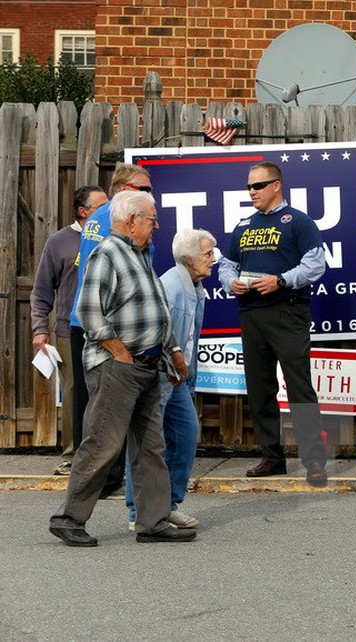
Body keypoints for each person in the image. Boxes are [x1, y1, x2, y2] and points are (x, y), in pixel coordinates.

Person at [49, 190, 195, 546]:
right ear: (131, 221)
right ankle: (68, 518)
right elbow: (88, 312)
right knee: (102, 443)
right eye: (151, 219)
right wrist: (120, 353)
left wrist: (174, 352)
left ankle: (152, 521)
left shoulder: (141, 255)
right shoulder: (107, 254)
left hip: (149, 364)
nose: (157, 226)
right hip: (117, 365)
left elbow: (157, 310)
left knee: (150, 447)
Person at [217, 162, 329, 487]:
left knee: (299, 386)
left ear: (276, 185)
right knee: (259, 387)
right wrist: (230, 282)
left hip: (287, 310)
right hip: (251, 312)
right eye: (249, 187)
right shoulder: (244, 225)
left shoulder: (298, 221)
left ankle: (314, 462)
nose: (252, 192)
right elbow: (226, 263)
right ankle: (272, 457)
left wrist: (281, 280)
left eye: (258, 186)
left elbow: (315, 264)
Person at [68, 164, 154, 498]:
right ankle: (102, 480)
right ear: (125, 189)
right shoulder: (122, 225)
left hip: (85, 322)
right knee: (112, 410)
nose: (149, 195)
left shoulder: (94, 219)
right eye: (144, 190)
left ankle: (89, 478)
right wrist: (119, 346)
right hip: (110, 327)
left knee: (90, 406)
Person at [124, 229, 216, 531]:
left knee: (186, 434)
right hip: (159, 375)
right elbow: (158, 335)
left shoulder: (196, 286)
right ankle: (138, 512)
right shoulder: (171, 286)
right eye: (207, 253)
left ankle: (168, 505)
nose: (213, 258)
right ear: (189, 258)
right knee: (147, 442)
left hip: (176, 378)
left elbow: (190, 339)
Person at [30, 185, 108, 475]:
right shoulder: (59, 242)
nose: (106, 211)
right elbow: (41, 292)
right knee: (75, 390)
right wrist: (40, 329)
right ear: (82, 211)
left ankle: (104, 455)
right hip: (68, 329)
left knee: (105, 391)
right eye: (99, 206)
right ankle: (74, 455)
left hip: (105, 328)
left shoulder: (109, 236)